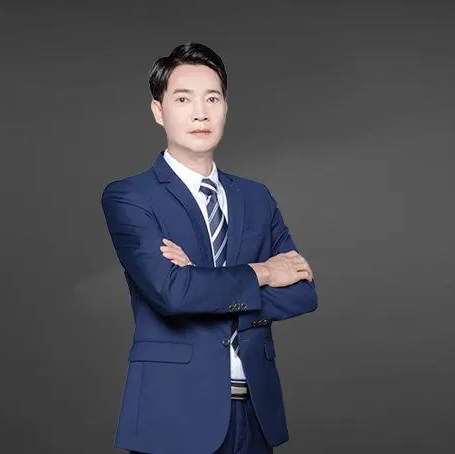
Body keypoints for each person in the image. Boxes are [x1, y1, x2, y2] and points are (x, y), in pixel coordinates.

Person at [101, 42, 319, 454]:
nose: (200, 113)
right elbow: (171, 294)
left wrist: (200, 283)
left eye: (212, 98)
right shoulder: (131, 196)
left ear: (225, 108)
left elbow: (304, 293)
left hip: (255, 414)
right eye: (183, 99)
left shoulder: (256, 197)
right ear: (159, 111)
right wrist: (263, 273)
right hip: (171, 413)